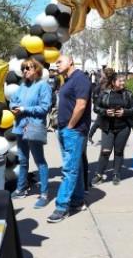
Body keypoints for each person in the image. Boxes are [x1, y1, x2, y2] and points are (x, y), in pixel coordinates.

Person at [47, 55, 92, 224]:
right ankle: (78, 200)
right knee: (76, 167)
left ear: (71, 62)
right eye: (56, 62)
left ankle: (61, 206)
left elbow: (81, 105)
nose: (56, 64)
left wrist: (71, 126)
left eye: (59, 62)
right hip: (66, 130)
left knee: (69, 169)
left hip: (74, 131)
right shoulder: (67, 80)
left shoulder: (80, 78)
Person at [9, 59, 52, 209]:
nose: (25, 71)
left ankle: (45, 194)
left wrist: (24, 109)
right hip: (20, 127)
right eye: (23, 68)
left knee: (40, 161)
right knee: (22, 160)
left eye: (28, 68)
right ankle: (21, 188)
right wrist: (14, 107)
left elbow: (45, 108)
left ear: (37, 70)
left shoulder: (43, 86)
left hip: (33, 127)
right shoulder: (22, 86)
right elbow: (13, 101)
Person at [91, 72, 133, 186]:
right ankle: (99, 174)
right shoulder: (104, 94)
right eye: (120, 81)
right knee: (105, 151)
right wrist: (105, 112)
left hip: (123, 127)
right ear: (113, 82)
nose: (123, 83)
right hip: (108, 127)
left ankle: (116, 174)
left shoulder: (128, 94)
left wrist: (125, 112)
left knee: (118, 151)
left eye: (123, 80)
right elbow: (96, 108)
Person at [89, 67, 115, 143]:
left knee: (103, 121)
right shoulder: (106, 82)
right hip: (104, 104)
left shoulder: (105, 81)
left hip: (104, 104)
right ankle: (90, 135)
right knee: (99, 121)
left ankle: (93, 135)